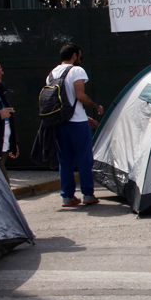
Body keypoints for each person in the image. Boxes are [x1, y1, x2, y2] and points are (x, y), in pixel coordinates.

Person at [49, 44, 103, 207]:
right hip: (77, 124)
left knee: (65, 160)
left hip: (60, 122)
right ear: (74, 56)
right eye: (80, 55)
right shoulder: (77, 71)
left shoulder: (52, 73)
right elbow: (79, 95)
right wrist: (95, 106)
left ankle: (67, 196)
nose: (80, 58)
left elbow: (62, 101)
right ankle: (87, 194)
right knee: (84, 158)